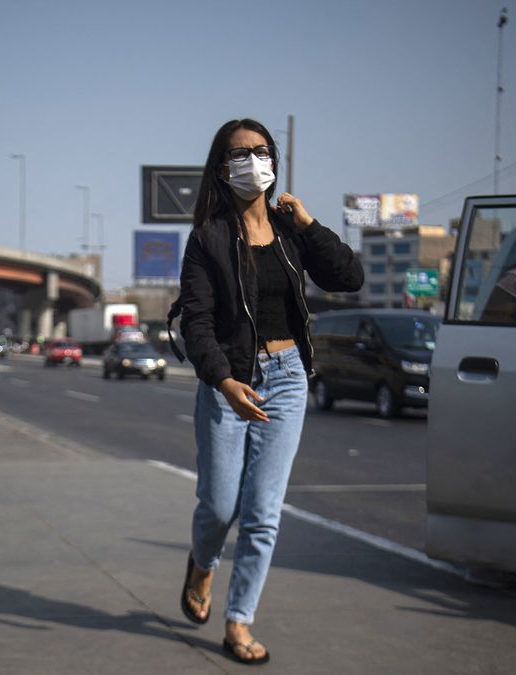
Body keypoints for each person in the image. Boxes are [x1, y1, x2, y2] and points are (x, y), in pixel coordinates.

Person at [177, 119, 362, 665]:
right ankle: (202, 562)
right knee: (218, 505)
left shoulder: (289, 231)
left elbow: (347, 277)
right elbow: (197, 322)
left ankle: (238, 621)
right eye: (240, 154)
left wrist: (308, 223)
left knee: (262, 512)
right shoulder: (208, 237)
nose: (252, 161)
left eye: (261, 152)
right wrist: (224, 380)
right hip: (229, 381)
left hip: (287, 379)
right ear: (222, 167)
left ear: (274, 161)